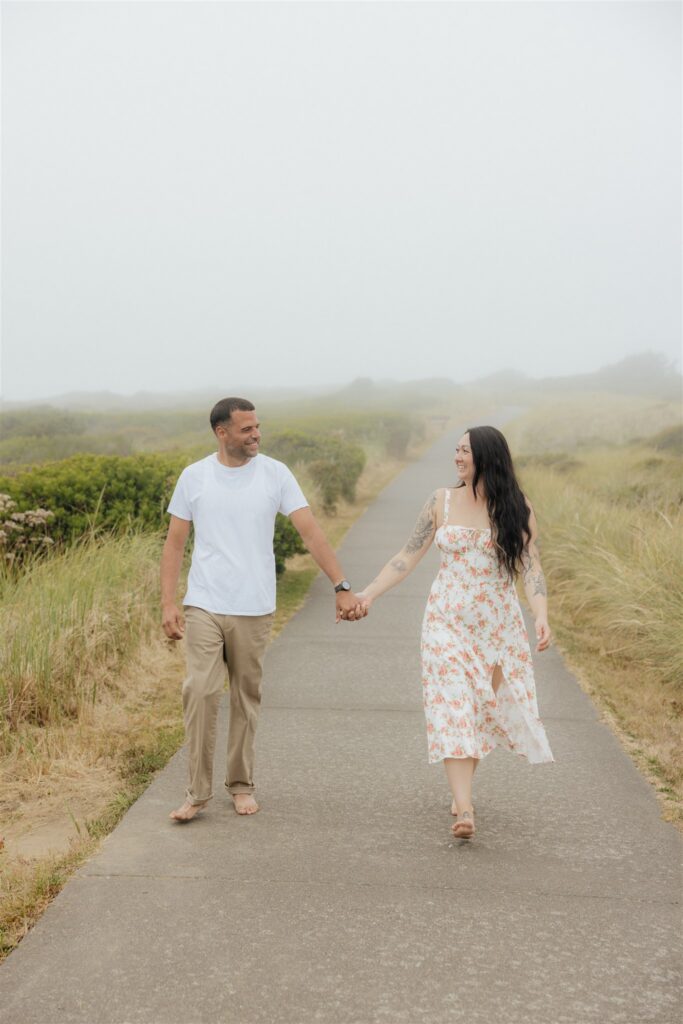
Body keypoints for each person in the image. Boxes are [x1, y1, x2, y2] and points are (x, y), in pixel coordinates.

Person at [161, 397, 366, 822]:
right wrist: (168, 601)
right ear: (222, 433)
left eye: (257, 427)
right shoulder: (194, 477)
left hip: (254, 606)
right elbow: (175, 543)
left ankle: (240, 784)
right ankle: (196, 793)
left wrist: (341, 586)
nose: (255, 434)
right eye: (246, 429)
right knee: (199, 691)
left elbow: (310, 532)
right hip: (204, 602)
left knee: (244, 695)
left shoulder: (275, 474)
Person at [357, 425, 554, 839]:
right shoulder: (440, 502)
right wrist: (369, 594)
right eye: (456, 450)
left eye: (465, 451)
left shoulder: (517, 507)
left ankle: (461, 790)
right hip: (445, 623)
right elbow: (406, 557)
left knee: (479, 710)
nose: (457, 457)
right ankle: (464, 808)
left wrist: (541, 614)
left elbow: (531, 566)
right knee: (452, 707)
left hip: (497, 628)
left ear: (487, 457)